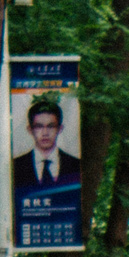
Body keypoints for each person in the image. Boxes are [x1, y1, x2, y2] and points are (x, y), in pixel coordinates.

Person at [11, 94, 85, 244]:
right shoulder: (15, 166)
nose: (45, 132)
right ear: (30, 129)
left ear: (60, 128)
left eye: (51, 126)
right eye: (39, 126)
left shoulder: (75, 165)